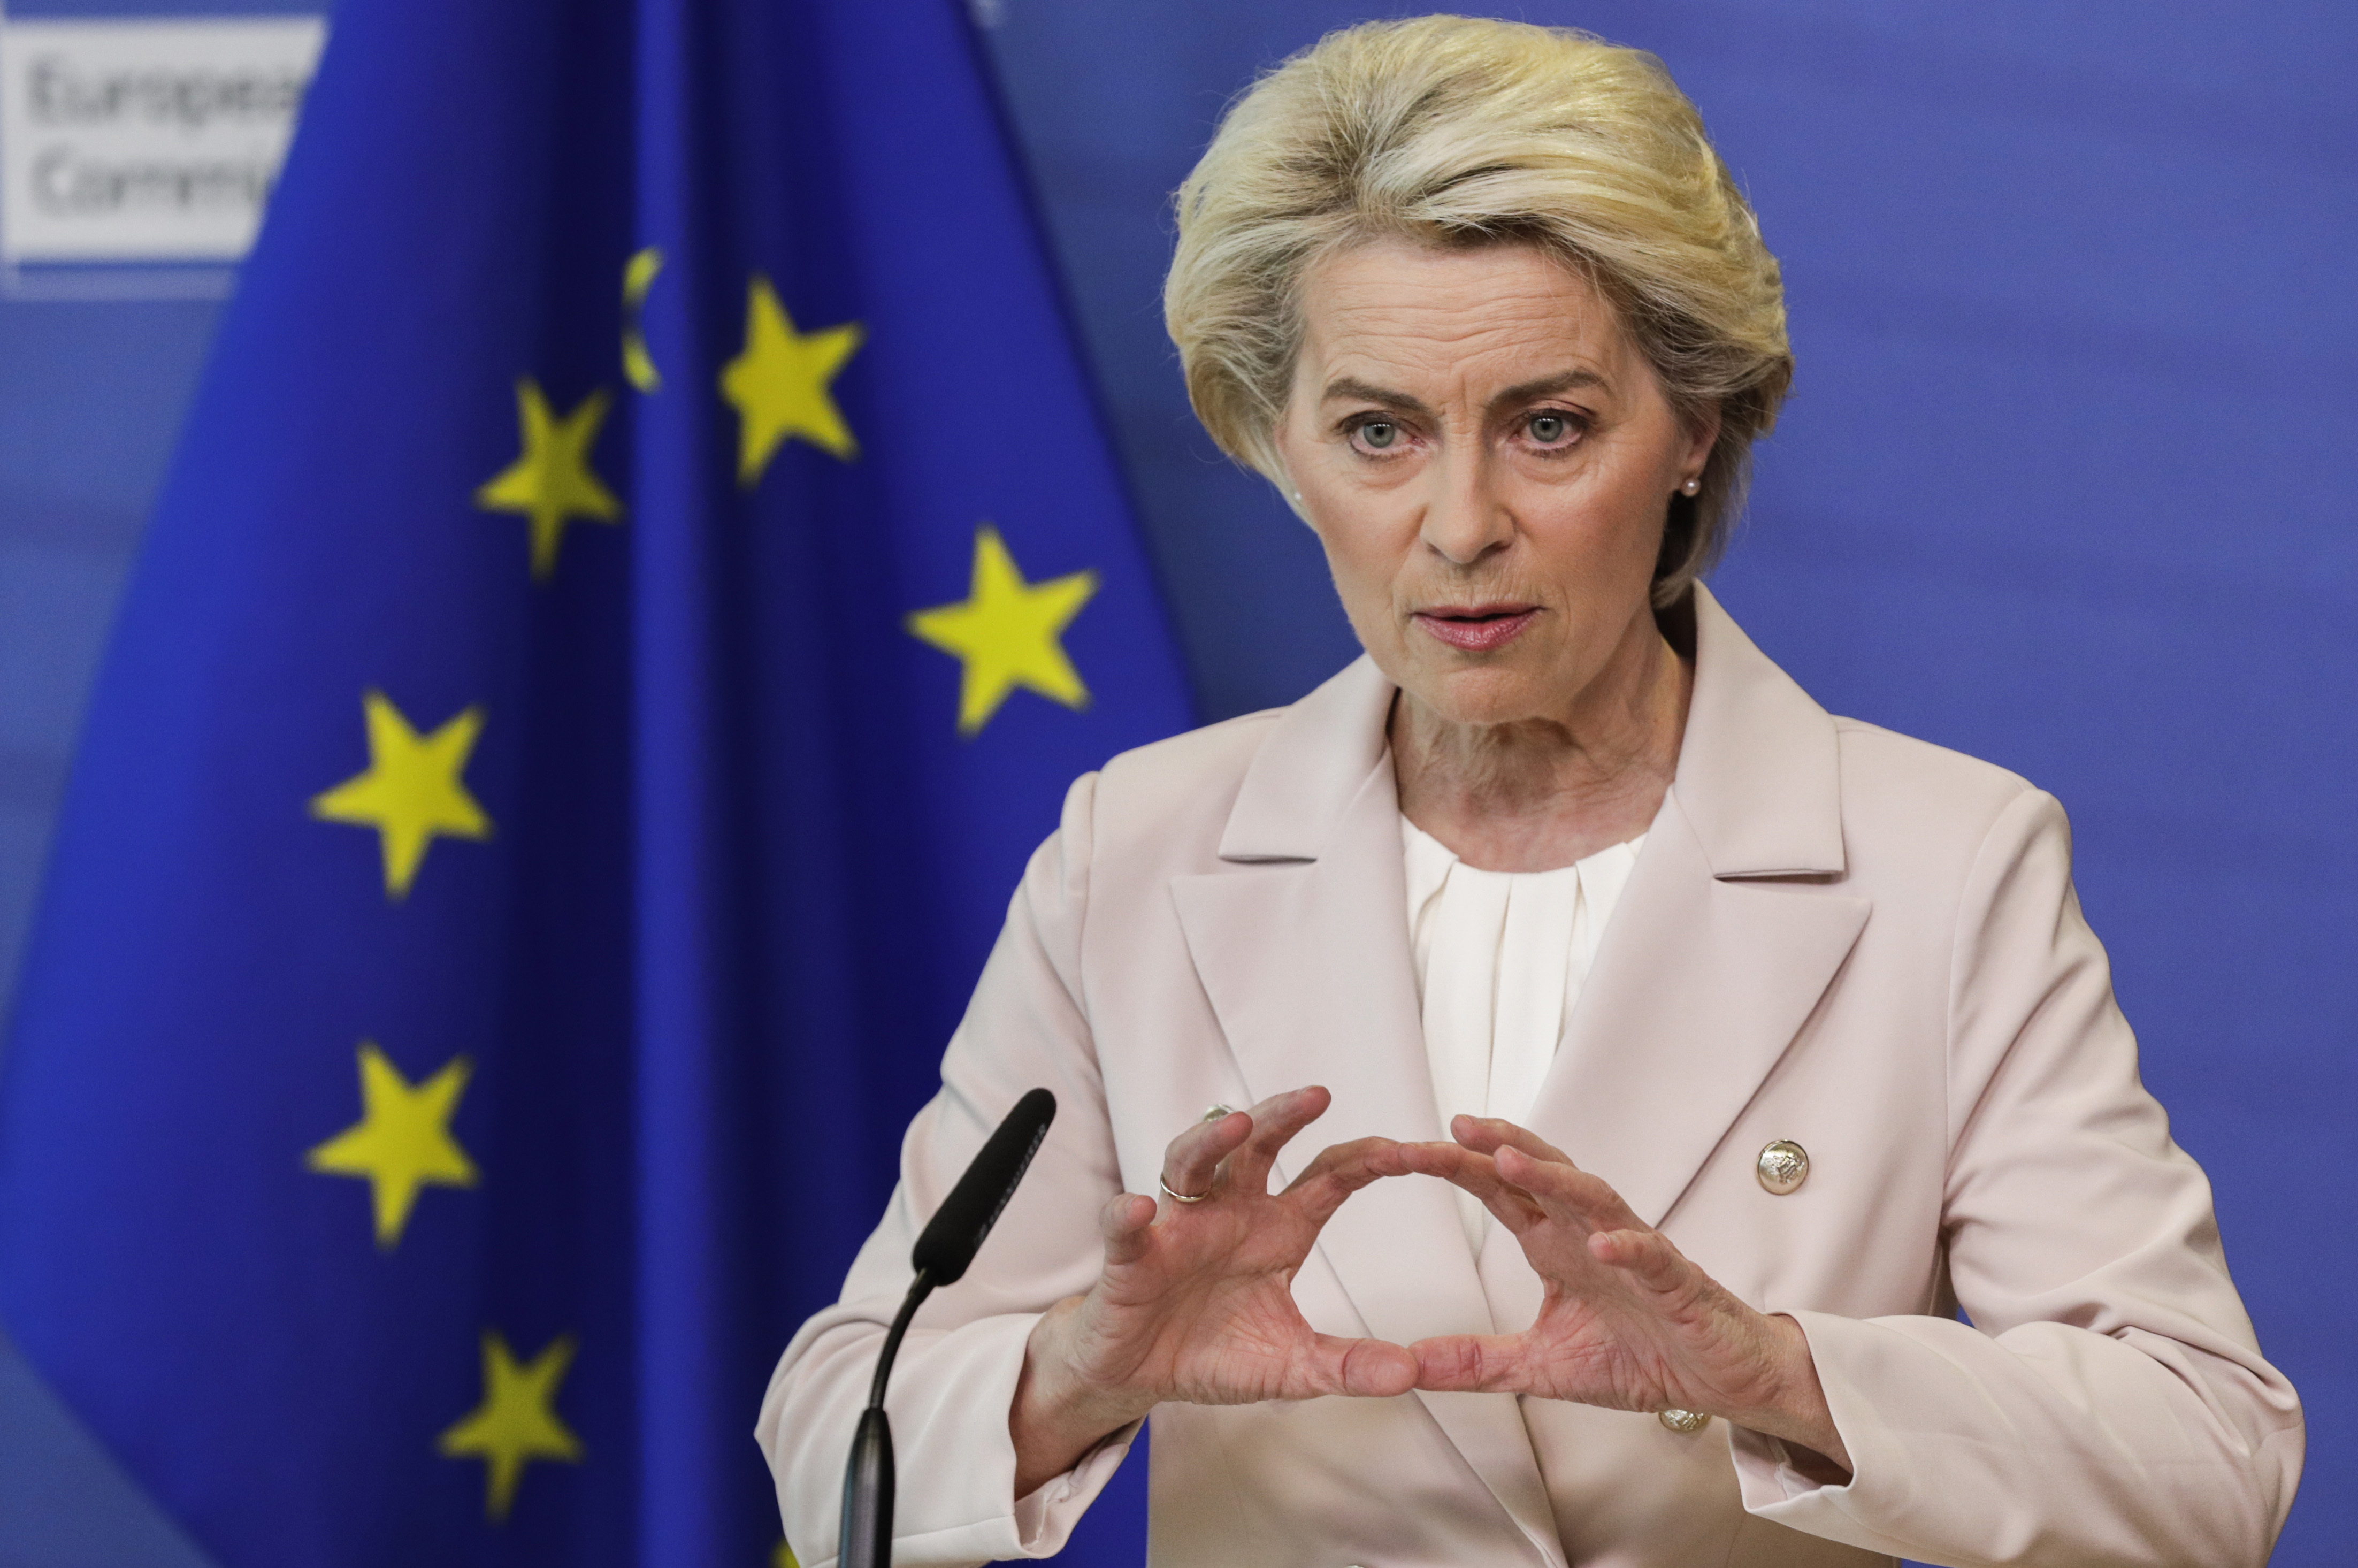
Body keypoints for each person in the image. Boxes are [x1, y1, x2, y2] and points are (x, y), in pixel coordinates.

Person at [759, 17, 2302, 1566]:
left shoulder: (1943, 863)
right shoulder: (1139, 851)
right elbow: (832, 1450)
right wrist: (1086, 1369)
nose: (1461, 523)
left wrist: (1776, 1374)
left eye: (1548, 426)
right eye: (1378, 432)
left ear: (1695, 427)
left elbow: (2212, 1458)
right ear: (1280, 442)